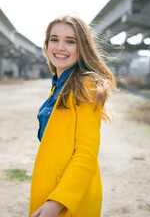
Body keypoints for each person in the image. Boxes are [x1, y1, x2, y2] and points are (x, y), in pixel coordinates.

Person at [29, 15, 116, 217]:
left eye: (70, 41)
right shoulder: (59, 85)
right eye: (54, 39)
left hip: (67, 198)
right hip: (52, 190)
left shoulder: (85, 86)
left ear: (82, 47)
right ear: (46, 44)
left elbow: (86, 153)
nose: (60, 47)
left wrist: (57, 202)